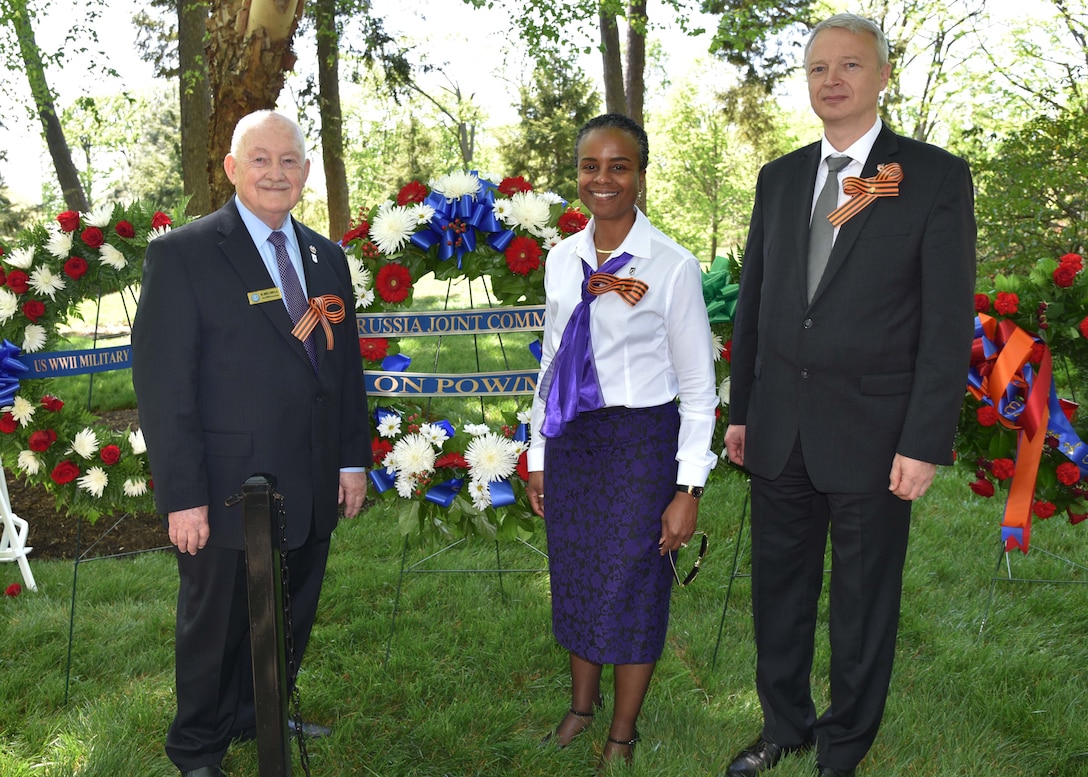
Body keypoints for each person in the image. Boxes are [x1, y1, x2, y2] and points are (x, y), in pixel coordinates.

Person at [722, 14, 976, 777]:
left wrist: (925, 439)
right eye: (817, 68)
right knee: (779, 590)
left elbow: (945, 322)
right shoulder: (779, 176)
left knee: (863, 602)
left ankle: (844, 745)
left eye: (850, 66)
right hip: (780, 427)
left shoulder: (932, 176)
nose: (831, 80)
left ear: (883, 76)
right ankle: (783, 725)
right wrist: (741, 411)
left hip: (876, 430)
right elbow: (758, 302)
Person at [132, 110, 371, 777]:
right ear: (233, 169)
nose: (276, 172)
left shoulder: (326, 255)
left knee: (291, 611)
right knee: (216, 625)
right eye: (260, 159)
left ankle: (257, 710)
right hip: (226, 486)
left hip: (314, 474)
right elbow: (163, 387)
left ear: (305, 172)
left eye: (289, 160)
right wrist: (183, 497)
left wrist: (352, 459)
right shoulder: (183, 253)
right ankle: (198, 745)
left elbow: (344, 370)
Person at [526, 113, 718, 769]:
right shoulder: (561, 260)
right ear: (577, 173)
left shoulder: (671, 265)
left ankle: (623, 729)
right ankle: (581, 706)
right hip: (575, 439)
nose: (602, 179)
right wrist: (539, 453)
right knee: (579, 573)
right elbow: (551, 364)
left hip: (641, 442)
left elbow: (698, 386)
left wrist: (687, 486)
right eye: (590, 165)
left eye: (618, 166)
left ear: (639, 174)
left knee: (634, 581)